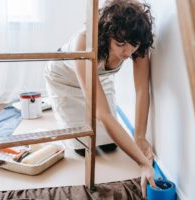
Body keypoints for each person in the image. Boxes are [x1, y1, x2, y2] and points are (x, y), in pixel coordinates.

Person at [44, 0, 156, 198]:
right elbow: (102, 114)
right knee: (83, 149)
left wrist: (139, 137)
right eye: (120, 44)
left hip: (99, 78)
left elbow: (141, 91)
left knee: (107, 145)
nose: (128, 52)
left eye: (134, 45)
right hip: (63, 78)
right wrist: (142, 163)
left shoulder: (136, 40)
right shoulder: (84, 41)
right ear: (107, 34)